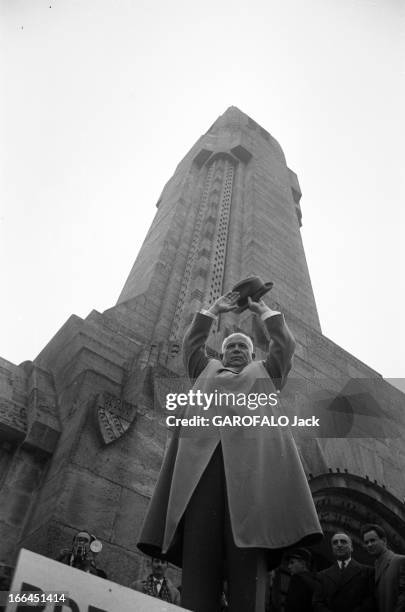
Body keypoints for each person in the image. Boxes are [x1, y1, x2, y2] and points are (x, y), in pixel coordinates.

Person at [138, 290, 323, 612]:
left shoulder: (267, 372)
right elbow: (191, 344)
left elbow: (285, 345)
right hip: (201, 471)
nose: (236, 350)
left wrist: (263, 310)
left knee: (248, 561)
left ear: (252, 355)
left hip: (252, 474)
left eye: (243, 347)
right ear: (221, 354)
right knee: (199, 558)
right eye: (231, 347)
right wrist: (212, 311)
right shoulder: (205, 370)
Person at [313, 531, 375, 611]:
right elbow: (317, 603)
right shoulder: (322, 576)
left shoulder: (367, 572)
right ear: (332, 549)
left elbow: (370, 601)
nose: (339, 545)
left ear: (351, 547)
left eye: (343, 542)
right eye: (335, 543)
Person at [361, 523, 405, 612]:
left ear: (384, 541)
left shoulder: (400, 561)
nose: (369, 545)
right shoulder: (374, 567)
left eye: (373, 540)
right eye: (366, 542)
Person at [285, 548, 319, 612]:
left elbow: (292, 606)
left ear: (303, 564)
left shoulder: (297, 579)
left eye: (292, 562)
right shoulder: (316, 582)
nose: (289, 566)